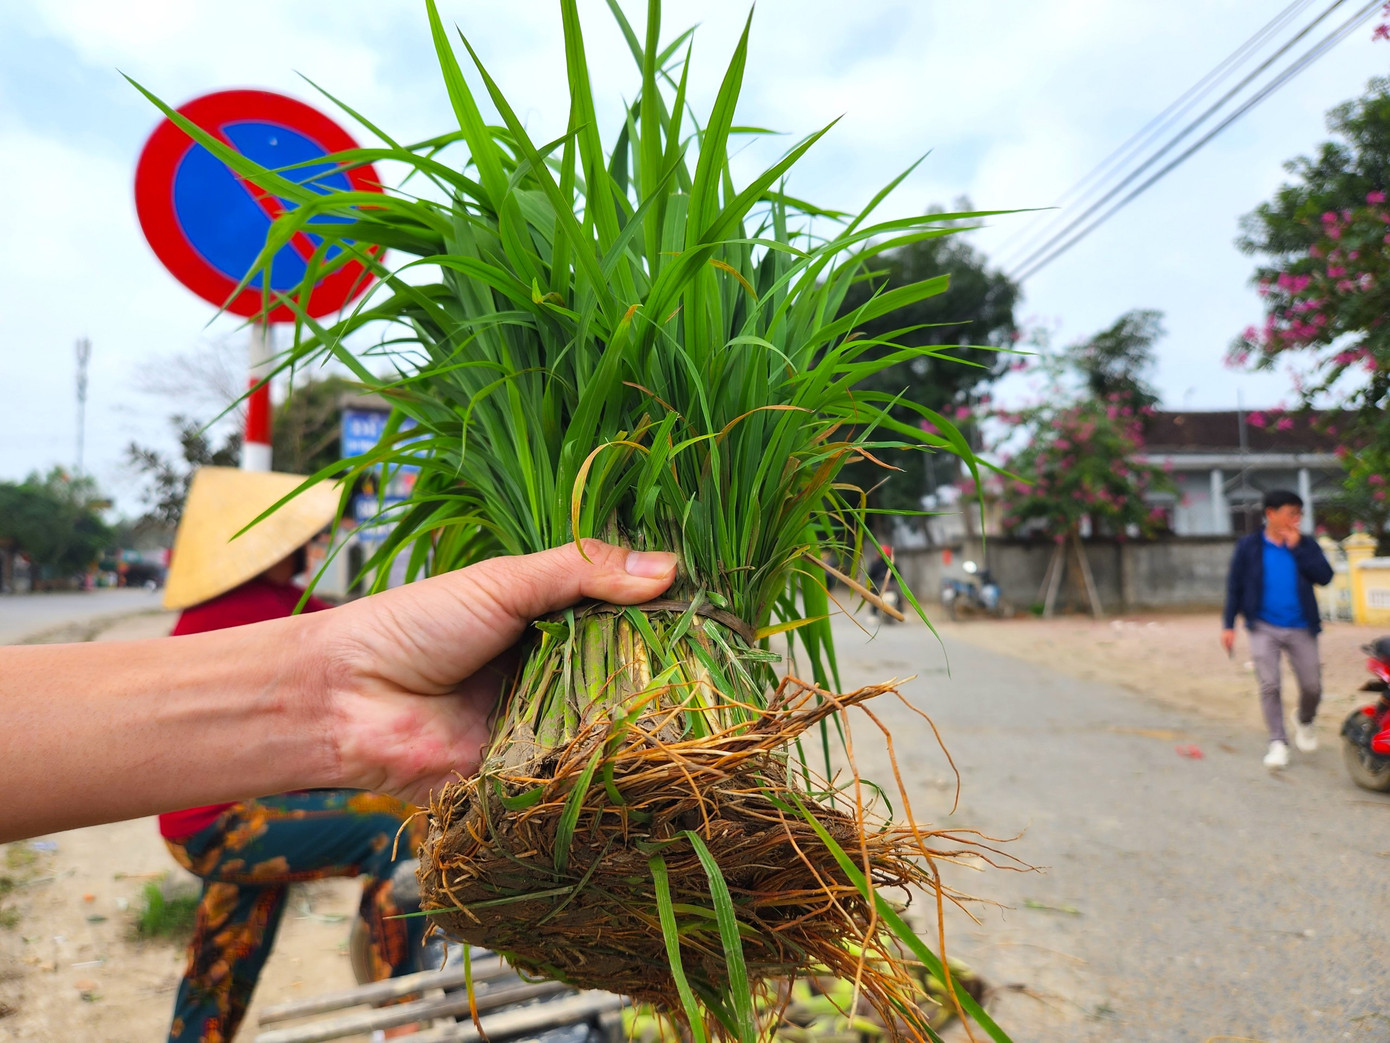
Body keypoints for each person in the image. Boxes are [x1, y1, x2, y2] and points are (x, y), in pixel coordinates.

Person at [154, 466, 432, 1042]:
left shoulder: (245, 606)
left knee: (223, 962)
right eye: (297, 538)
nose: (308, 548)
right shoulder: (256, 610)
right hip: (225, 821)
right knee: (392, 827)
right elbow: (366, 645)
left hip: (218, 812)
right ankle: (400, 1016)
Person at [1221, 489, 1334, 770]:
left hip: (1301, 626)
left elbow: (1325, 577)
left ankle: (1304, 720)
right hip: (1263, 625)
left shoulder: (1305, 544)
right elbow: (1235, 586)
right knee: (1269, 684)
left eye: (1299, 514)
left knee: (1312, 686)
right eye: (1291, 513)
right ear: (1271, 514)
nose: (1296, 520)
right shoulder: (1249, 546)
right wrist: (1228, 625)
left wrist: (1298, 548)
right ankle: (1278, 742)